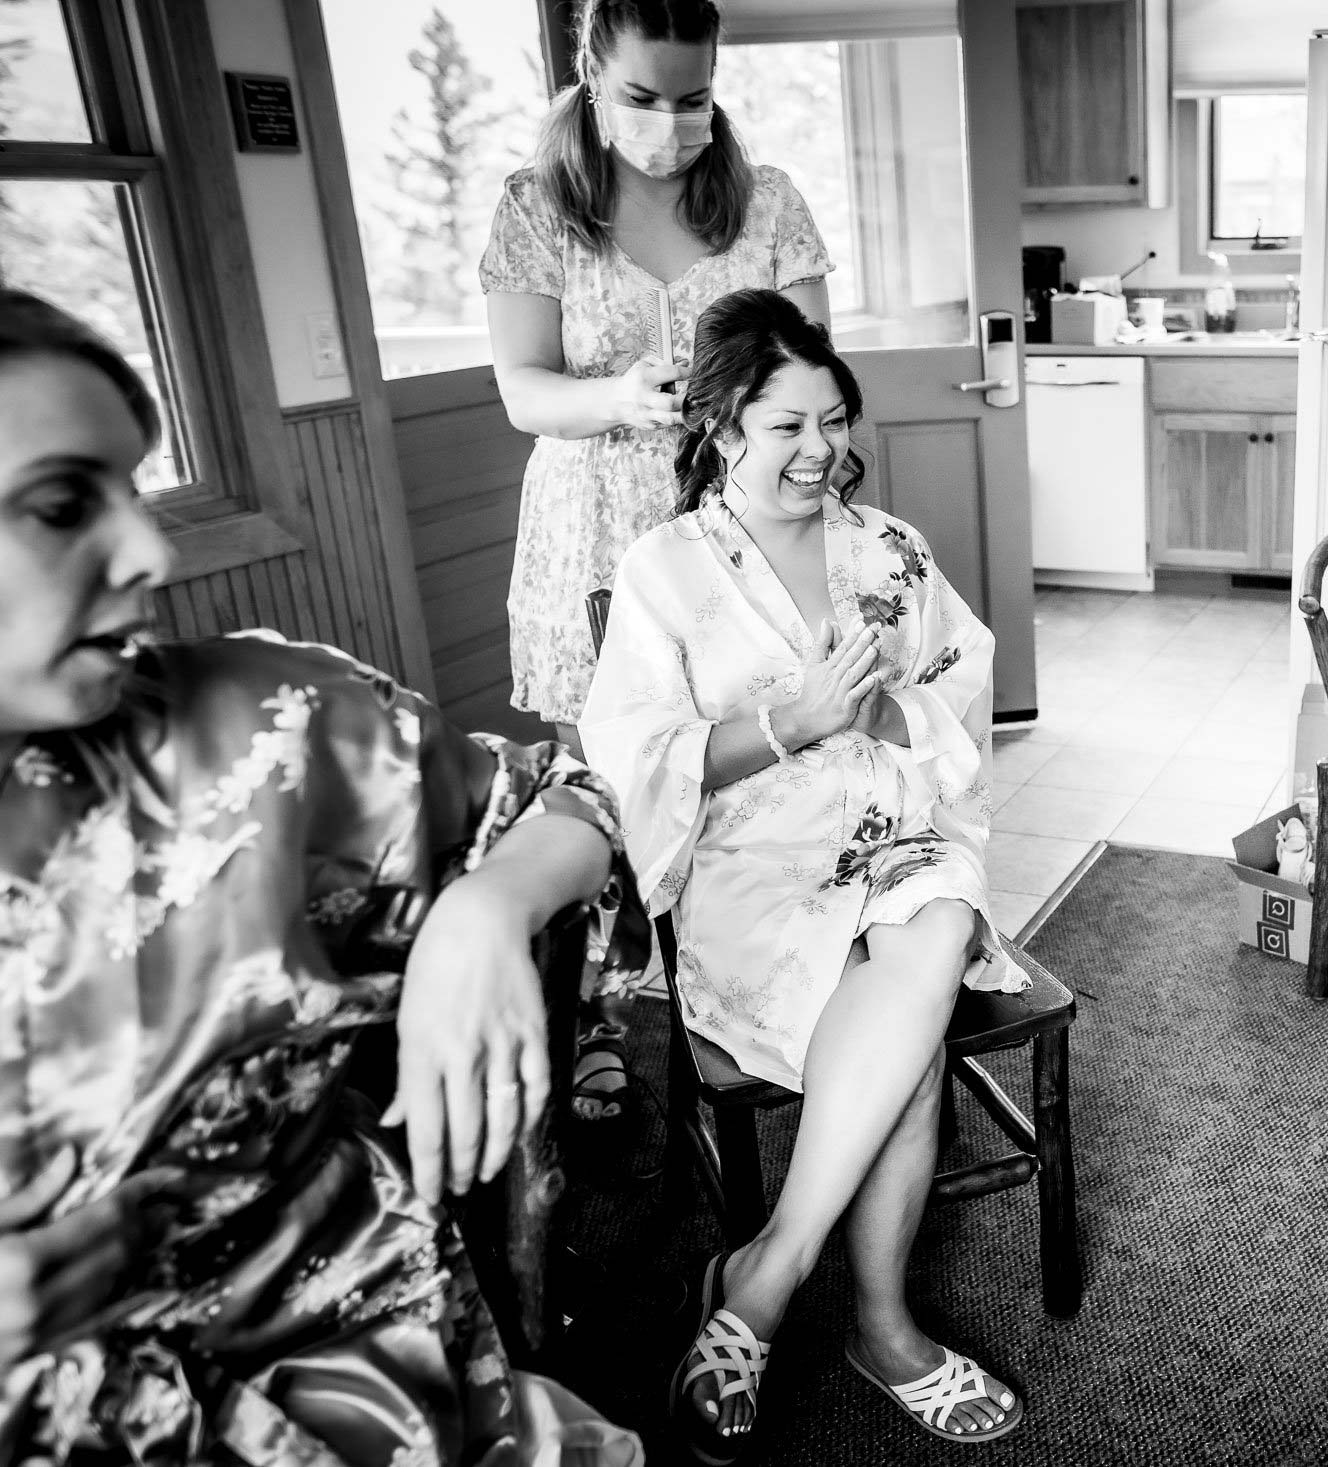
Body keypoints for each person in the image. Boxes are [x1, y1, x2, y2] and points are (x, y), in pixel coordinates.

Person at [0, 290, 648, 1465]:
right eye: (58, 505)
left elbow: (588, 795)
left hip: (357, 1374)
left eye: (134, 489)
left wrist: (488, 903)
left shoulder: (266, 732)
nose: (151, 550)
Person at [581, 289, 1027, 1458]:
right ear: (722, 426)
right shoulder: (664, 570)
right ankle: (883, 1328)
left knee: (932, 919)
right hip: (752, 861)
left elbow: (957, 678)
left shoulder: (888, 547)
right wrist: (790, 722)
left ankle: (765, 1275)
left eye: (834, 420)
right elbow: (635, 762)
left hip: (892, 824)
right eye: (787, 425)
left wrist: (883, 705)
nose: (821, 450)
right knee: (913, 1044)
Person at [482, 0, 833, 1128]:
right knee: (621, 784)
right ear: (590, 71)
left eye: (693, 98)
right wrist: (616, 399)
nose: (671, 125)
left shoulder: (766, 200)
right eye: (641, 97)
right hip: (599, 527)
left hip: (742, 532)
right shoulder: (537, 208)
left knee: (757, 755)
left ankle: (777, 976)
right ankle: (598, 1017)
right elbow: (523, 389)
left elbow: (814, 370)